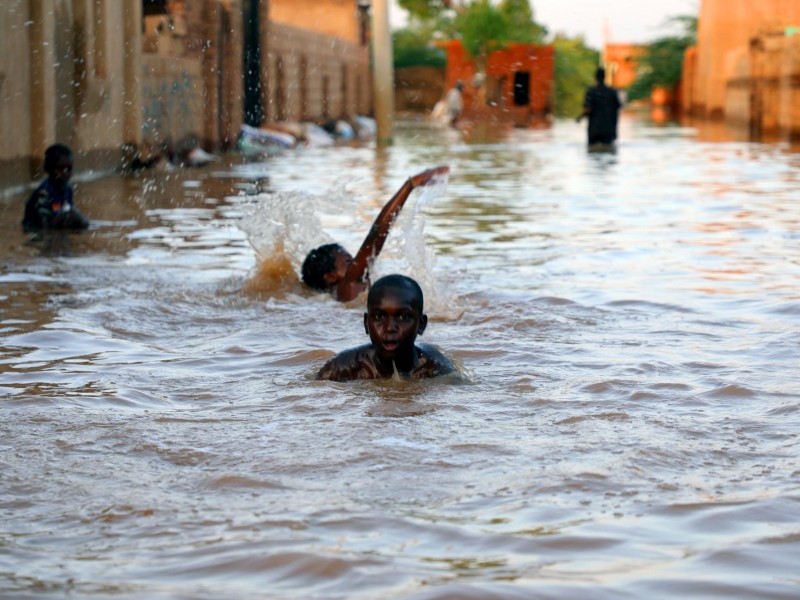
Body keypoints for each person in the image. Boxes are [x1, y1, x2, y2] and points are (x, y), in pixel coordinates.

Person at [301, 166, 448, 302]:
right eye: (349, 262)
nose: (358, 263)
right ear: (331, 277)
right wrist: (409, 185)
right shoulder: (349, 285)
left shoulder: (339, 296)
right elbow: (375, 237)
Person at [316, 274, 455, 381]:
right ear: (366, 323)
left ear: (421, 324)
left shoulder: (436, 369)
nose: (389, 328)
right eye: (379, 317)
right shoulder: (343, 367)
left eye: (403, 317)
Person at [22, 143, 90, 233]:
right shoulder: (44, 192)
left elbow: (68, 212)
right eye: (60, 168)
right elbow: (43, 225)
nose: (65, 173)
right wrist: (66, 216)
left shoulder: (67, 190)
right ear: (49, 168)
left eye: (69, 169)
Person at [576, 67, 622, 147]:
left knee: (592, 154)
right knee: (608, 152)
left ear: (596, 78)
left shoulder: (591, 92)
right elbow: (618, 107)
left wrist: (579, 118)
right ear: (605, 77)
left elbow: (588, 109)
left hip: (594, 130)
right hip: (609, 130)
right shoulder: (612, 92)